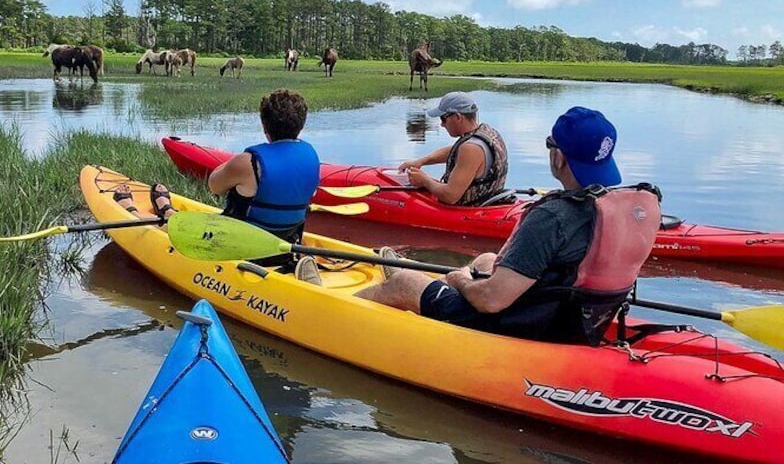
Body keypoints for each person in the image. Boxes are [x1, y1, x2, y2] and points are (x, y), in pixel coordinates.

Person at [356, 107, 662, 345]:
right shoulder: (629, 205)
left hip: (526, 324)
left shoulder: (553, 217)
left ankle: (333, 306)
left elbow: (491, 301)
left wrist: (460, 281)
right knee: (484, 260)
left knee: (405, 283)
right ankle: (440, 282)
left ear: (559, 157)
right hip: (578, 316)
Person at [114, 89, 322, 281]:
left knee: (175, 229)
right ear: (301, 126)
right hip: (285, 243)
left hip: (234, 245)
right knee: (183, 221)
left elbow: (214, 186)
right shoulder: (311, 156)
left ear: (264, 126)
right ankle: (167, 211)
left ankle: (131, 210)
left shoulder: (249, 161)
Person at [398, 92, 508, 206]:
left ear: (458, 117)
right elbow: (455, 151)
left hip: (469, 210)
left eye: (443, 118)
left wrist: (425, 181)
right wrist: (421, 161)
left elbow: (450, 197)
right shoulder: (487, 133)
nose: (442, 124)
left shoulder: (471, 149)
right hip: (488, 200)